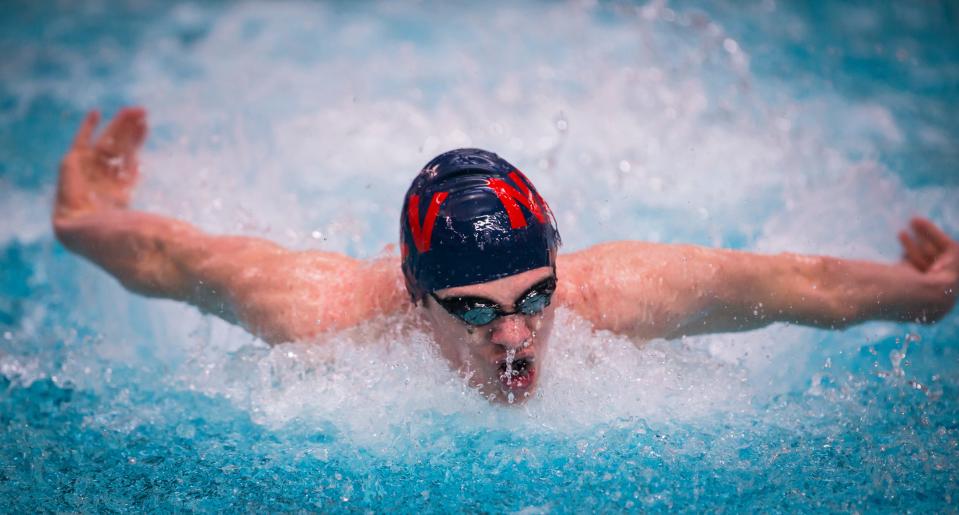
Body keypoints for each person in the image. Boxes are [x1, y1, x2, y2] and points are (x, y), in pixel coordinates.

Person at [53, 107, 959, 403]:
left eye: (536, 295)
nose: (516, 333)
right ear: (417, 298)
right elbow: (170, 257)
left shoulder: (622, 293)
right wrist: (80, 217)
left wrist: (923, 295)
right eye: (476, 308)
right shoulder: (320, 312)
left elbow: (803, 282)